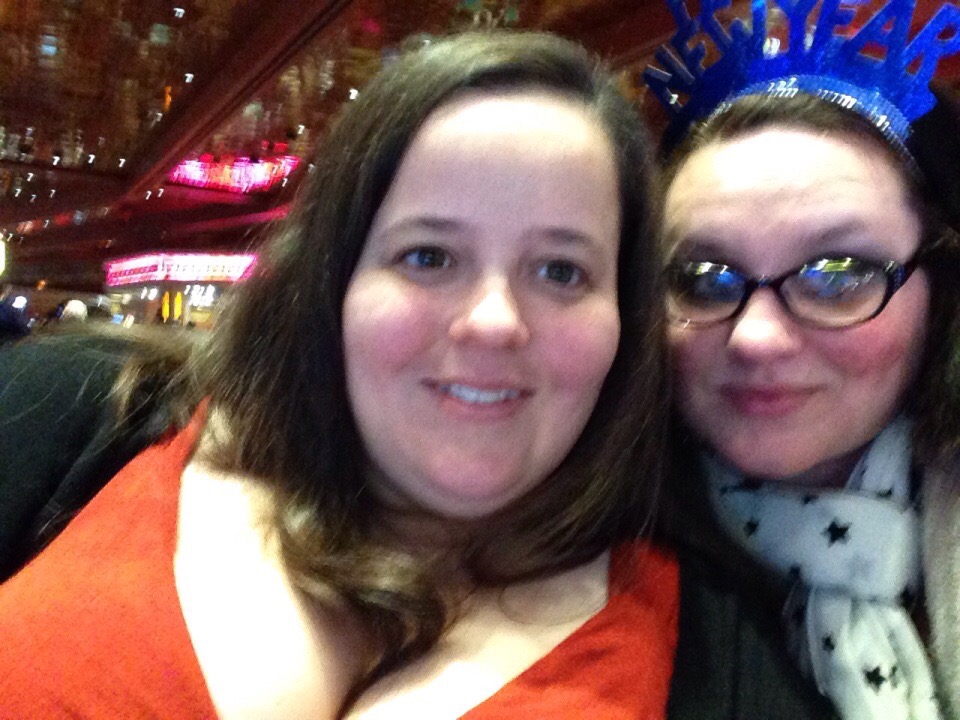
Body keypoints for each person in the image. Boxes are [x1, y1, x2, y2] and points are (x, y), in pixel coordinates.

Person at [0, 32, 677, 719]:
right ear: (333, 280)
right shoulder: (73, 402)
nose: (493, 322)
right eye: (429, 256)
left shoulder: (696, 614)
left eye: (562, 271)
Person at [645, 1, 960, 718]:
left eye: (838, 273)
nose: (756, 338)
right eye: (703, 278)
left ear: (941, 289)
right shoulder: (591, 571)